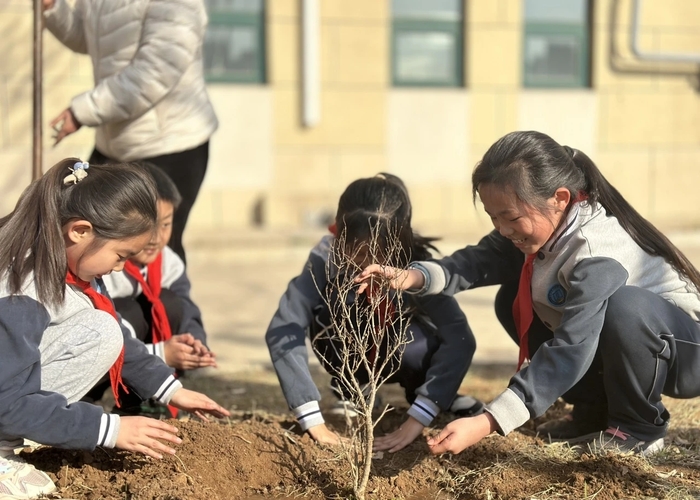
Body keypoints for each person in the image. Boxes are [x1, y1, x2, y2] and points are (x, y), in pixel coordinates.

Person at [358, 130, 700, 457]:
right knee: (514, 300)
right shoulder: (541, 227)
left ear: (560, 199)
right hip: (634, 348)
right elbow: (478, 261)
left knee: (625, 307)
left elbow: (570, 348)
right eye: (494, 217)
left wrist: (488, 420)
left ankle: (639, 428)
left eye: (510, 217)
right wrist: (412, 276)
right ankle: (594, 410)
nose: (503, 230)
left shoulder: (594, 251)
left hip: (683, 354)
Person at [0, 159, 229, 500]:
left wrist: (169, 389)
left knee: (104, 329)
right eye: (120, 255)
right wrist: (108, 429)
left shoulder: (67, 263)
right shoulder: (21, 290)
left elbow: (115, 333)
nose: (121, 268)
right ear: (80, 230)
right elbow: (6, 401)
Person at [266, 173, 484, 452]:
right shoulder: (325, 257)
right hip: (352, 356)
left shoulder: (417, 268)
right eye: (355, 255)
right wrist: (310, 418)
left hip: (403, 352)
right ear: (339, 233)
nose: (367, 267)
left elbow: (459, 338)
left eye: (378, 256)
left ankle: (432, 394)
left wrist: (420, 415)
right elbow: (285, 326)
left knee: (418, 344)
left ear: (399, 242)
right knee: (335, 305)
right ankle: (353, 387)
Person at [42, 0, 219, 263]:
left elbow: (154, 73)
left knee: (153, 250)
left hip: (168, 144)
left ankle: (165, 305)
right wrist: (53, 8)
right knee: (87, 241)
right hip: (114, 145)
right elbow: (86, 36)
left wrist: (83, 111)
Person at [87, 162, 216, 417]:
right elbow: (100, 333)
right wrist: (162, 353)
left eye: (166, 225)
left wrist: (194, 342)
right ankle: (86, 401)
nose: (156, 237)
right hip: (103, 355)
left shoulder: (168, 262)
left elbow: (186, 308)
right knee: (125, 312)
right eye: (149, 226)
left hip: (143, 355)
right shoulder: (103, 264)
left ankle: (148, 401)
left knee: (169, 303)